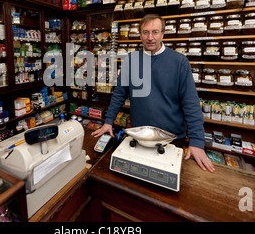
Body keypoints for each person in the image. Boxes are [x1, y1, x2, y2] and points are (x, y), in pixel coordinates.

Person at [92, 14, 215, 172]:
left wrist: (197, 142)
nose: (150, 37)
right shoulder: (131, 60)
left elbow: (190, 103)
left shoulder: (179, 62)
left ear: (163, 34)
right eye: (145, 32)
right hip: (139, 137)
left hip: (171, 140)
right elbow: (119, 94)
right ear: (140, 34)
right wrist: (109, 121)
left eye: (155, 32)